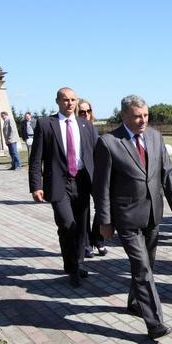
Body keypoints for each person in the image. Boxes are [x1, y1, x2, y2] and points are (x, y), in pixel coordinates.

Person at [93, 95, 172, 340]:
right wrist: (105, 221)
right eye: (137, 116)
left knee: (147, 266)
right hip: (126, 217)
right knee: (142, 268)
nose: (143, 120)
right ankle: (155, 323)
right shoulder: (108, 142)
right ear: (124, 116)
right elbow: (101, 187)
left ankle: (134, 302)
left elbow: (167, 171)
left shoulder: (155, 136)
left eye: (145, 115)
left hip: (153, 214)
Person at [28, 87, 96, 288]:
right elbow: (36, 158)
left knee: (81, 228)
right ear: (57, 101)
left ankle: (77, 263)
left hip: (82, 182)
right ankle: (72, 268)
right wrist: (36, 185)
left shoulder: (85, 125)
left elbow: (96, 154)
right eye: (65, 100)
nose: (70, 103)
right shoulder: (46, 124)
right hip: (59, 183)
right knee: (67, 225)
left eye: (73, 100)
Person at [77, 98, 107, 257]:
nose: (86, 114)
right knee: (83, 211)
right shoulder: (73, 129)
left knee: (103, 207)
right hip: (81, 175)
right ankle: (86, 244)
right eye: (82, 112)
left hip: (96, 174)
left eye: (88, 111)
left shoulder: (93, 128)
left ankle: (98, 238)